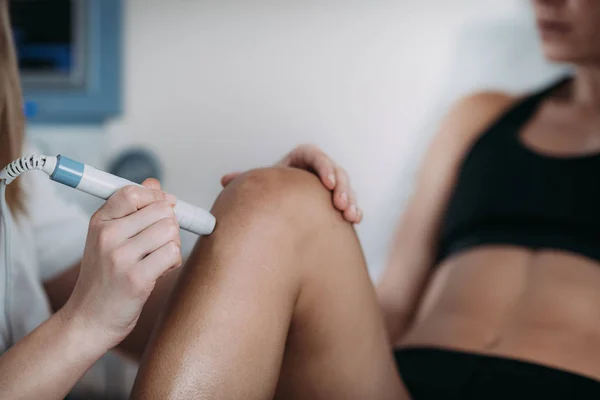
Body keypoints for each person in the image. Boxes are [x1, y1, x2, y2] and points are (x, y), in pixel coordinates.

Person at [0, 0, 598, 399]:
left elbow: (137, 314)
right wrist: (276, 242)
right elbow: (393, 303)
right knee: (269, 198)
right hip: (410, 382)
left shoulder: (19, 184)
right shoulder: (479, 119)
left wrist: (256, 272)